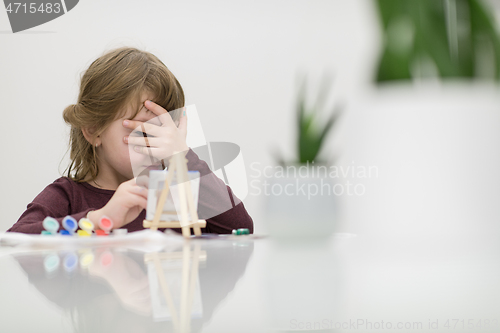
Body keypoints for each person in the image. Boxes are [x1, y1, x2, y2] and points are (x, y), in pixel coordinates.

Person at [8, 47, 253, 235]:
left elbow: (240, 229)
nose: (155, 147)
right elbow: (15, 240)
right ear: (94, 131)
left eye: (164, 134)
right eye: (141, 133)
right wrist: (101, 218)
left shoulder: (178, 196)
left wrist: (183, 157)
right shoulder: (68, 196)